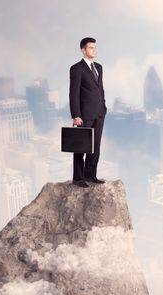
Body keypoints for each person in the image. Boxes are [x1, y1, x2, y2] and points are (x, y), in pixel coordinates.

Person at [69, 37, 107, 188]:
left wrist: (104, 107)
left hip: (99, 113)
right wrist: (75, 115)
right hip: (84, 115)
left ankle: (90, 175)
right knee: (81, 146)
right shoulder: (77, 69)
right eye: (91, 48)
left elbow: (100, 89)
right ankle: (78, 178)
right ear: (83, 50)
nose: (94, 50)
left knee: (95, 146)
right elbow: (73, 93)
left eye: (95, 47)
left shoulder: (99, 67)